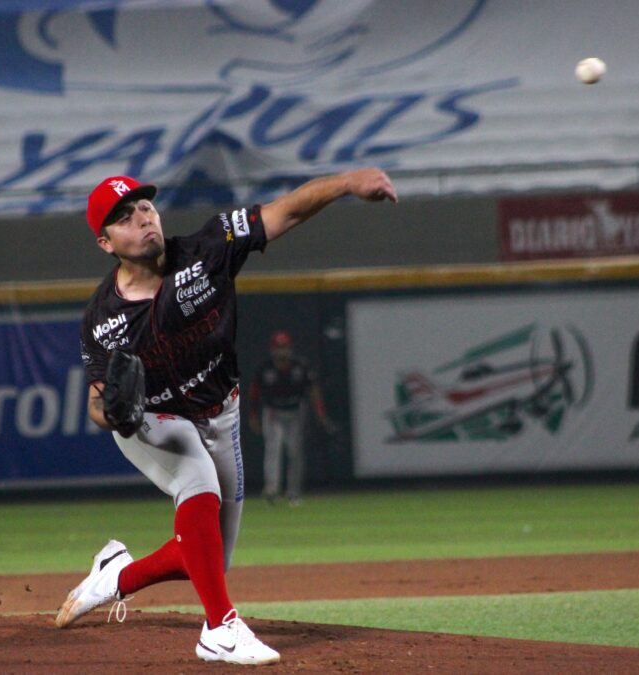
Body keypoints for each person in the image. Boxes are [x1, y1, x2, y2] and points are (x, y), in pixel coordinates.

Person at [58, 169, 396, 665]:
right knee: (197, 485)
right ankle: (220, 628)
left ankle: (115, 576)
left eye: (145, 208)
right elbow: (97, 402)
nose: (142, 220)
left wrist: (348, 182)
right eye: (124, 219)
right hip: (156, 420)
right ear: (106, 243)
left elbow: (286, 212)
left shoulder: (209, 247)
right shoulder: (101, 320)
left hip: (222, 411)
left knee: (211, 557)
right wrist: (114, 415)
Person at [249, 330, 334, 506]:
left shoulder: (300, 366)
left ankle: (293, 492)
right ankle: (272, 489)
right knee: (274, 449)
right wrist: (254, 416)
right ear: (272, 349)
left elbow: (313, 390)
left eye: (285, 347)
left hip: (295, 412)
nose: (282, 351)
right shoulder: (265, 369)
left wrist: (320, 413)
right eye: (279, 348)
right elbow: (254, 393)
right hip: (273, 412)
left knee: (295, 452)